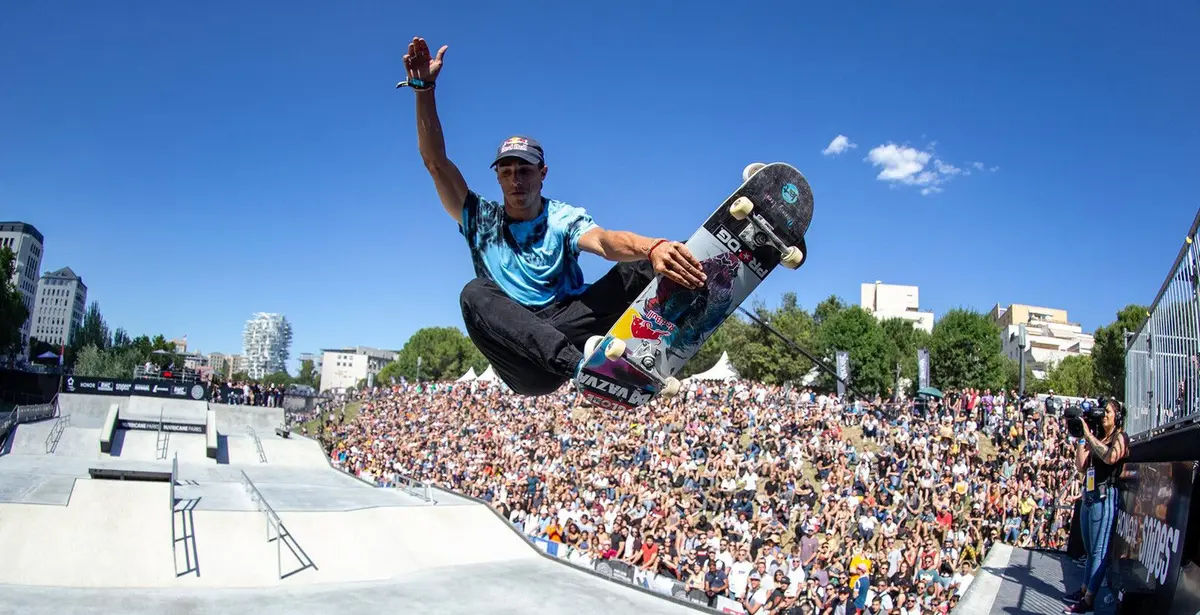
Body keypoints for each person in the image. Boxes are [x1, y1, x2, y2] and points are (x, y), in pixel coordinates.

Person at [400, 36, 707, 396]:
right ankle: (587, 371)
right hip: (525, 357)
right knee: (474, 293)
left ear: (542, 174)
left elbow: (605, 242)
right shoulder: (479, 219)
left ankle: (716, 264)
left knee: (647, 261)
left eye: (525, 171)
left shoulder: (561, 217)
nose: (516, 180)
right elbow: (436, 163)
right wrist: (424, 90)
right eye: (507, 172)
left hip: (573, 325)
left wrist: (655, 247)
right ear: (497, 176)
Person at [1064, 399, 1128, 613]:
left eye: (1108, 412)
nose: (1104, 416)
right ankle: (1084, 589)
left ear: (1117, 416)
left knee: (1099, 550)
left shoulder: (1121, 438)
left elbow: (1111, 458)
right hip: (1089, 494)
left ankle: (1089, 599)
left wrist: (1090, 436)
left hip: (1105, 496)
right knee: (1090, 549)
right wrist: (1083, 437)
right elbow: (1081, 467)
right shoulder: (1097, 438)